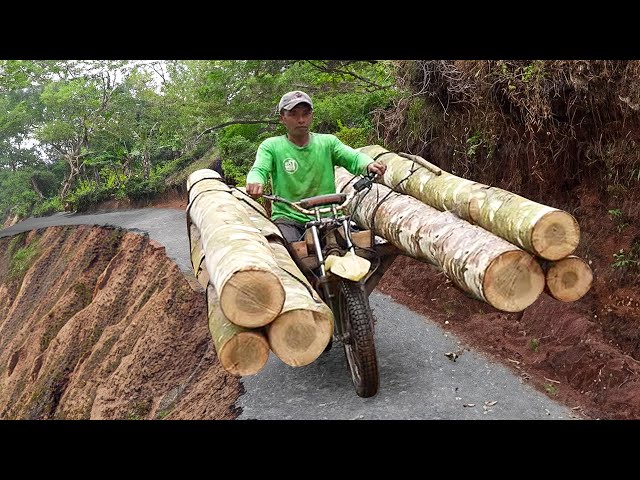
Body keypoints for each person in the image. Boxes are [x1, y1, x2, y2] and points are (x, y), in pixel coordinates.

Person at [245, 90, 387, 243]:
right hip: (290, 218)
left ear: (312, 115)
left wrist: (368, 164)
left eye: (306, 114)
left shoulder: (328, 142)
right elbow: (259, 169)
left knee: (364, 247)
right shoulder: (271, 146)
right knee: (288, 254)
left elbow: (352, 157)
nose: (301, 120)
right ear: (282, 118)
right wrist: (255, 181)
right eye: (293, 114)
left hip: (330, 215)